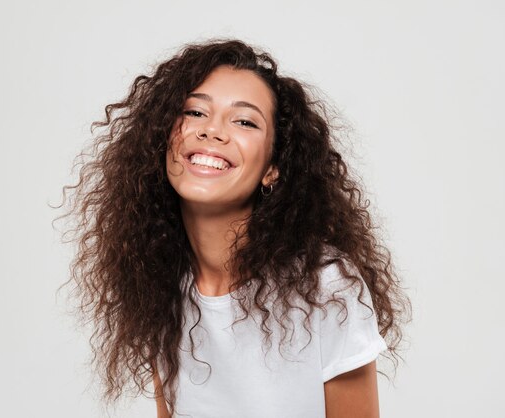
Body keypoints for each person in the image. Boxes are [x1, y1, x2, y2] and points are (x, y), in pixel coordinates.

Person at [58, 39, 410, 418]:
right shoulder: (158, 279)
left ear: (273, 168)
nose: (212, 131)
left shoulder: (326, 286)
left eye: (244, 121)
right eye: (194, 112)